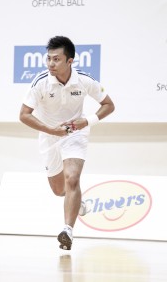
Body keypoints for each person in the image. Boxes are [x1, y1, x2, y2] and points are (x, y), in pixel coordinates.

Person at [19, 36, 115, 250]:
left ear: (70, 61)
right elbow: (24, 115)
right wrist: (51, 130)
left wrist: (87, 120)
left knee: (73, 178)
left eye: (56, 59)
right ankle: (77, 202)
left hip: (75, 134)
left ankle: (67, 231)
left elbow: (109, 105)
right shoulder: (40, 82)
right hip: (49, 135)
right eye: (48, 59)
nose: (50, 64)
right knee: (58, 189)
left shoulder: (84, 81)